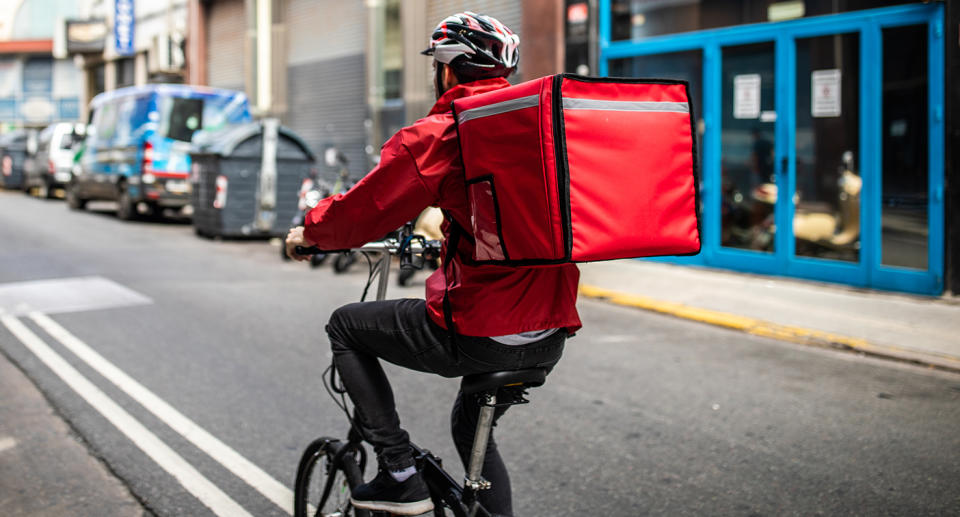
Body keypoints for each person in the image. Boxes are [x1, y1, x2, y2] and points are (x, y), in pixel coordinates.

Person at [285, 12, 581, 516]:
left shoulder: (444, 133)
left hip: (483, 328)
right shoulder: (538, 130)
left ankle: (399, 472)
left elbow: (365, 211)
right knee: (472, 432)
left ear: (445, 72)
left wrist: (311, 233)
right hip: (550, 331)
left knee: (346, 326)